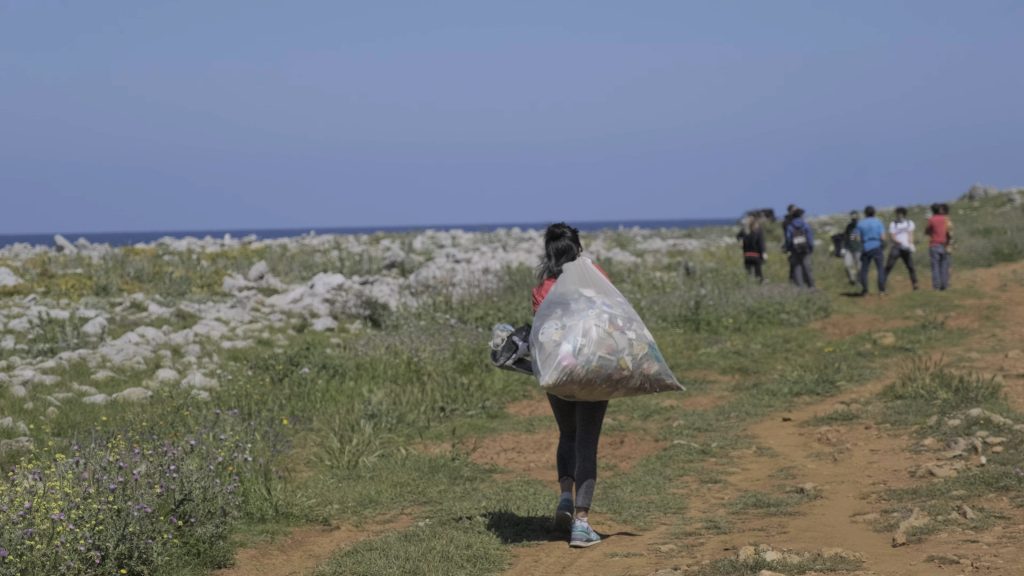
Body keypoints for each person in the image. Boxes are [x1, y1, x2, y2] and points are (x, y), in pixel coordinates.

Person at [531, 222, 606, 548]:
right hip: (591, 370)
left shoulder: (543, 287)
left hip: (557, 373)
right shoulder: (594, 276)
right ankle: (582, 522)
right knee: (587, 440)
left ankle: (564, 497)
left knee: (568, 434)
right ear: (578, 248)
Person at [884, 207, 919, 290]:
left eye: (901, 214)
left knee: (910, 266)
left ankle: (915, 284)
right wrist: (900, 242)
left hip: (906, 248)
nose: (899, 215)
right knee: (889, 266)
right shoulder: (893, 224)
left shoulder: (909, 223)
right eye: (898, 214)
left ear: (904, 214)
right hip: (896, 248)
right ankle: (882, 283)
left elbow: (910, 234)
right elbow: (892, 236)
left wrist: (911, 244)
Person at [855, 205, 887, 296]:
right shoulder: (878, 222)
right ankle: (882, 290)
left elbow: (856, 237)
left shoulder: (860, 224)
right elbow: (883, 237)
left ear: (865, 213)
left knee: (864, 270)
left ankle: (865, 291)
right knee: (880, 268)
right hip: (877, 246)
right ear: (874, 212)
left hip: (865, 247)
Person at [783, 208, 815, 288]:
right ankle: (811, 286)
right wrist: (811, 247)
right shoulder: (805, 225)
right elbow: (810, 237)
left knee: (797, 268)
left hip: (794, 250)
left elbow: (788, 239)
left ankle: (800, 288)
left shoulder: (790, 226)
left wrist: (788, 249)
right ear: (801, 215)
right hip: (805, 249)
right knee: (807, 267)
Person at [925, 203, 952, 290]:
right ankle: (945, 285)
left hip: (934, 244)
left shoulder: (931, 220)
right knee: (944, 265)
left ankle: (936, 286)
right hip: (944, 244)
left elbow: (927, 231)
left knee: (935, 266)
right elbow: (949, 230)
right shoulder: (945, 219)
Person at [736, 216, 766, 282]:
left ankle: (749, 285)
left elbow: (738, 236)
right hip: (756, 255)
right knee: (758, 274)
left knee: (748, 274)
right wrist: (764, 253)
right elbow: (761, 244)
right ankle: (759, 287)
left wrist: (740, 242)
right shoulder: (758, 231)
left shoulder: (744, 232)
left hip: (747, 255)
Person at [841, 210, 862, 285]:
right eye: (852, 217)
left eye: (855, 216)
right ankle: (852, 279)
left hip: (859, 249)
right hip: (848, 249)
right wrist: (843, 248)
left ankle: (859, 281)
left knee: (860, 267)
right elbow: (845, 237)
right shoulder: (849, 226)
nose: (853, 218)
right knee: (847, 265)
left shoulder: (861, 225)